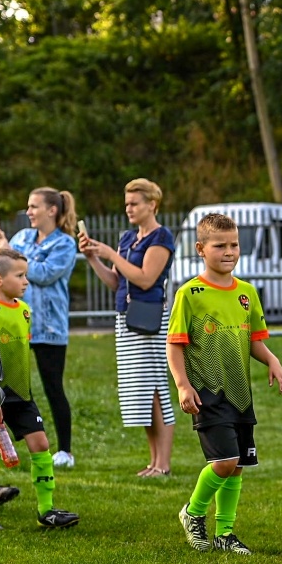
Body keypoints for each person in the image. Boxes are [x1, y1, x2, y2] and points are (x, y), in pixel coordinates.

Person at [168, 213, 282, 554]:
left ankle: (225, 533)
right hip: (207, 392)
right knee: (223, 462)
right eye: (219, 245)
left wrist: (272, 360)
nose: (229, 251)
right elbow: (175, 344)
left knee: (236, 467)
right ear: (200, 249)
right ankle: (192, 513)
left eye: (234, 244)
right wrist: (182, 385)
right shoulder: (190, 293)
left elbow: (254, 340)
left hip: (240, 395)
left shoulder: (247, 293)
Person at [0, 249, 80, 531]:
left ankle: (46, 509)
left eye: (26, 275)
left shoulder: (25, 310)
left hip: (23, 396)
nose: (26, 282)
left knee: (41, 443)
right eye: (19, 276)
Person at [79, 178, 176, 476]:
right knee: (140, 391)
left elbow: (146, 278)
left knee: (156, 388)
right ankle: (153, 461)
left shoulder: (161, 237)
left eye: (135, 203)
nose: (129, 208)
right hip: (127, 318)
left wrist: (111, 254)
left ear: (152, 204)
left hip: (150, 320)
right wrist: (94, 258)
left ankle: (164, 464)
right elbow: (115, 281)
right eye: (127, 203)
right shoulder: (127, 239)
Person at [0, 188, 79, 468]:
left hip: (49, 328)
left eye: (33, 207)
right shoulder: (23, 238)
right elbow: (8, 269)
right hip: (15, 325)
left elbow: (41, 274)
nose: (28, 212)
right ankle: (0, 443)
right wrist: (3, 248)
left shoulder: (65, 244)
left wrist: (14, 257)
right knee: (7, 384)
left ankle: (65, 451)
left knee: (54, 387)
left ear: (51, 210)